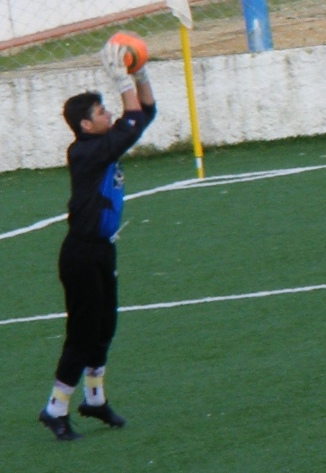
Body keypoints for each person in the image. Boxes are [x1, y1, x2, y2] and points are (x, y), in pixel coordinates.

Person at [38, 40, 156, 441]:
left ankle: (94, 399)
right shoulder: (85, 152)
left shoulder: (103, 144)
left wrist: (140, 73)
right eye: (101, 112)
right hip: (81, 254)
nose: (108, 115)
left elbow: (144, 114)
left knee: (105, 326)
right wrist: (122, 80)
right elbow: (133, 120)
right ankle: (55, 408)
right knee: (82, 333)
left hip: (102, 250)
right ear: (86, 125)